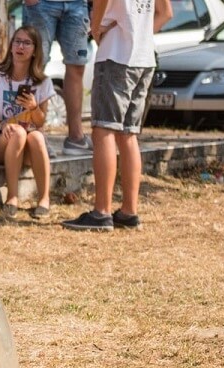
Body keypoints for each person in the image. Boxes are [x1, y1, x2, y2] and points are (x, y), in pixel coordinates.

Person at [62, 0, 172, 231]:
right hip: (143, 56)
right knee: (128, 134)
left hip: (116, 54)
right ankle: (128, 211)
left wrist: (95, 27)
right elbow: (166, 13)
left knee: (104, 129)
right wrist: (139, 34)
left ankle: (101, 212)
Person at [0, 26, 54, 219]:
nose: (20, 46)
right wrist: (1, 124)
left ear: (35, 50)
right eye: (17, 41)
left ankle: (44, 199)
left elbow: (41, 122)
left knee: (37, 137)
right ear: (11, 46)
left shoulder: (42, 82)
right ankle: (12, 198)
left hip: (28, 144)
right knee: (18, 132)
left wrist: (33, 107)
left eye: (26, 43)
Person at [22, 0, 91, 154]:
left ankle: (76, 138)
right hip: (41, 4)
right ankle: (34, 136)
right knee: (35, 65)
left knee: (77, 65)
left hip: (77, 4)